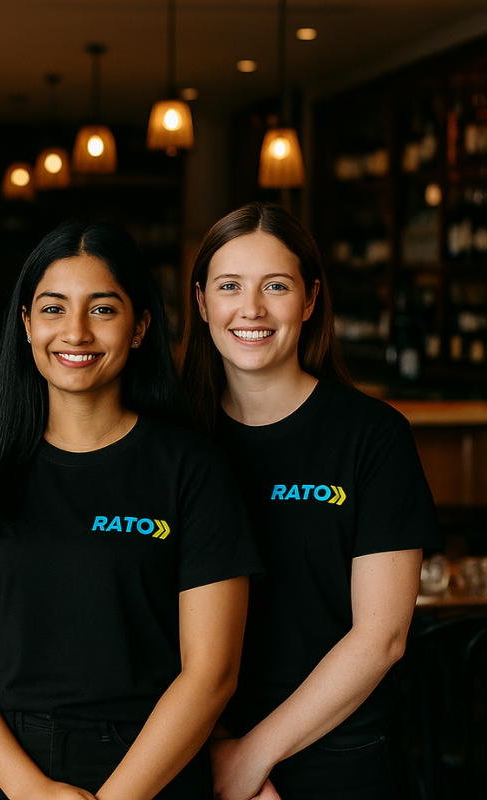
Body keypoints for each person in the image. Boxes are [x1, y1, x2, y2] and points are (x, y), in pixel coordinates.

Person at [0, 220, 261, 800]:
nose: (75, 332)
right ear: (26, 324)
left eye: (103, 310)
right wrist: (30, 790)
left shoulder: (193, 471)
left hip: (152, 766)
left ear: (140, 327)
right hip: (6, 770)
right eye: (53, 309)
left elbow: (210, 674)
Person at [180, 202, 441, 800]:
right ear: (201, 304)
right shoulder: (173, 439)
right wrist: (217, 745)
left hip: (341, 755)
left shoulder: (373, 436)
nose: (251, 309)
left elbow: (381, 637)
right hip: (192, 750)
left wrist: (250, 758)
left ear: (309, 298)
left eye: (276, 285)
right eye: (229, 287)